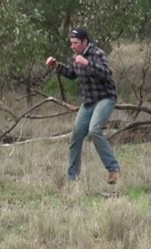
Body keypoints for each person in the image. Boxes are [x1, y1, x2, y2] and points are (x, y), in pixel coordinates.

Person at [45, 27, 120, 184]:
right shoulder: (76, 57)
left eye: (76, 43)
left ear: (85, 42)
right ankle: (73, 178)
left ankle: (113, 170)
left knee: (94, 130)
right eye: (71, 43)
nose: (73, 46)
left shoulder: (97, 54)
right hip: (89, 102)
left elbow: (107, 74)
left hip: (105, 98)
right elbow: (72, 74)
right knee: (76, 136)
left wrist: (88, 63)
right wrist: (56, 66)